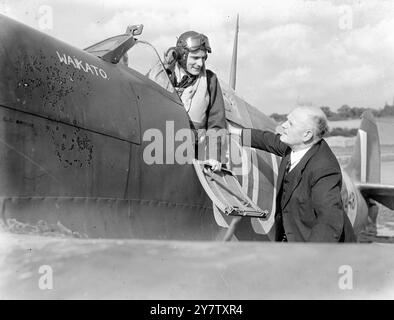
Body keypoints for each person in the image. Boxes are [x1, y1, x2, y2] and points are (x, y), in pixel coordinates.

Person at [231, 106, 356, 242]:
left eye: (290, 123)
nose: (283, 125)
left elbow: (328, 222)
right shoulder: (297, 146)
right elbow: (267, 140)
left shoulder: (324, 168)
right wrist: (234, 131)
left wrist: (307, 258)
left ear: (307, 135)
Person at [161, 31, 226, 171]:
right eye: (195, 58)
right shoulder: (163, 75)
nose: (200, 63)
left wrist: (214, 156)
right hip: (159, 147)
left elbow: (217, 122)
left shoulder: (210, 80)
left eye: (203, 58)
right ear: (182, 56)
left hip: (193, 154)